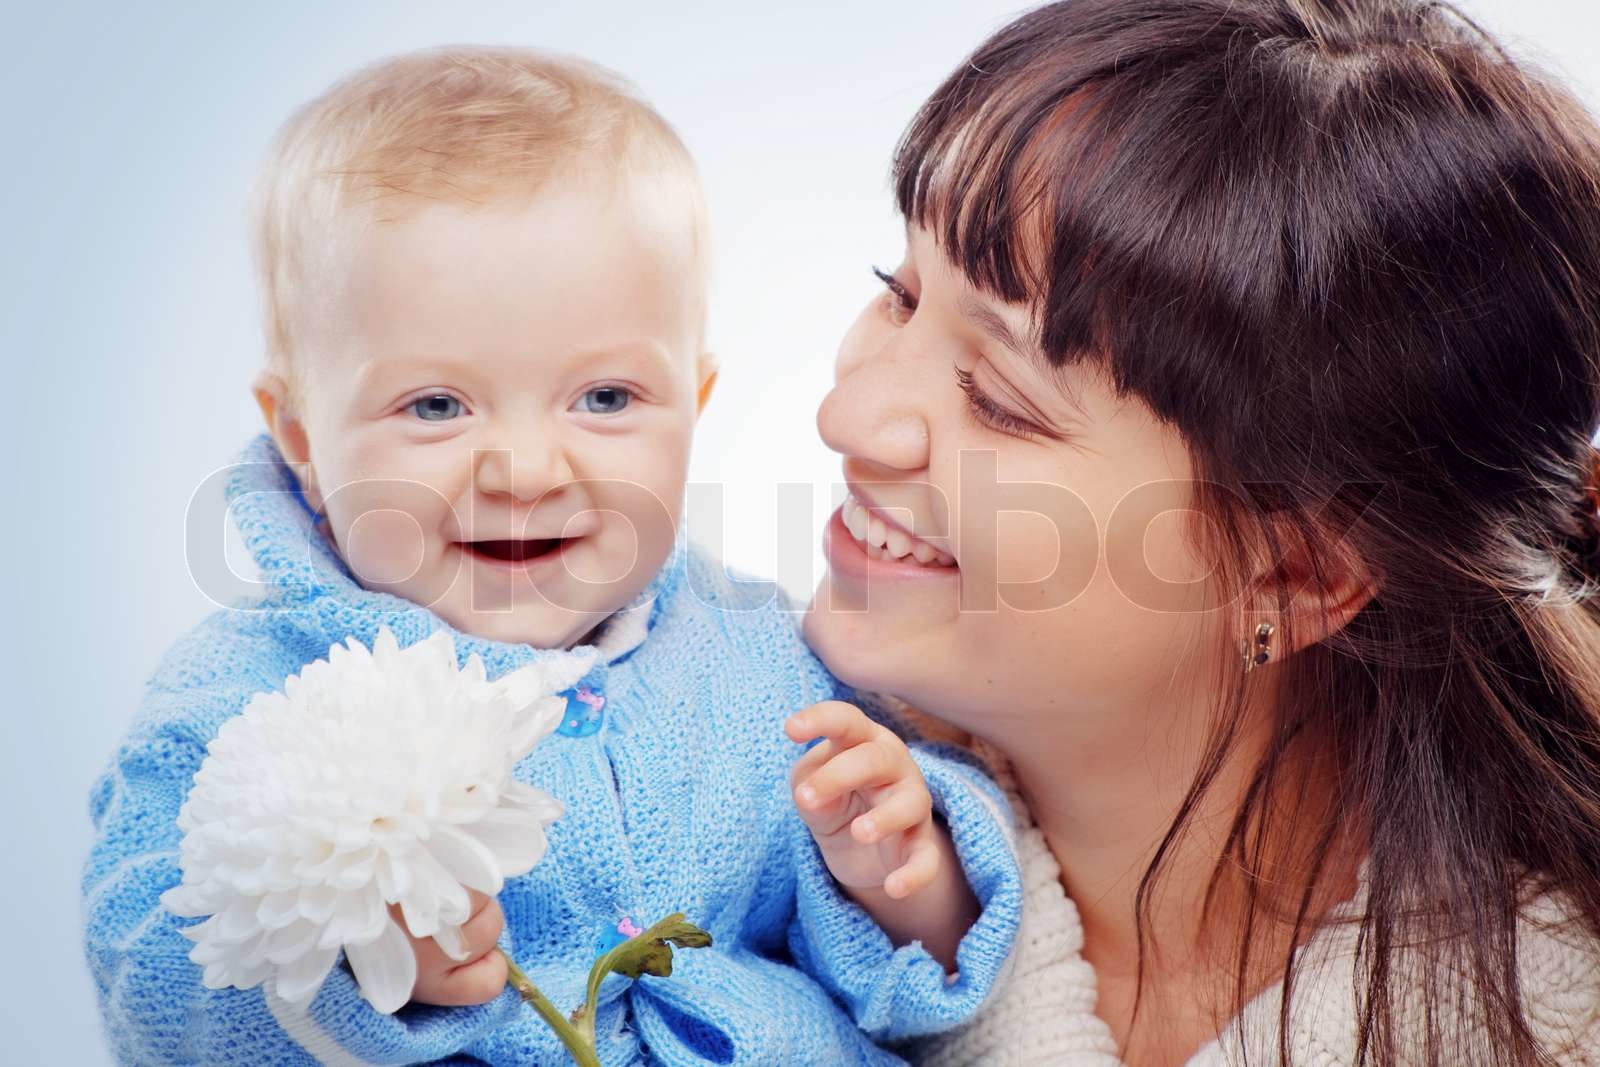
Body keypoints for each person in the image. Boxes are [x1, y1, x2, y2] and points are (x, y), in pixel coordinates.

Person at [80, 47, 1022, 1065]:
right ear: (302, 434)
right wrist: (356, 971)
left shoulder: (757, 657)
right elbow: (145, 960)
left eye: (605, 398)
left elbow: (902, 982)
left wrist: (900, 874)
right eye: (436, 405)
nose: (527, 469)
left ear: (693, 409)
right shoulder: (244, 699)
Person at [800, 1, 1600, 1064]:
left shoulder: (1546, 1022)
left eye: (998, 399)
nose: (844, 418)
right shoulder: (719, 800)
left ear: (1296, 570)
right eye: (897, 294)